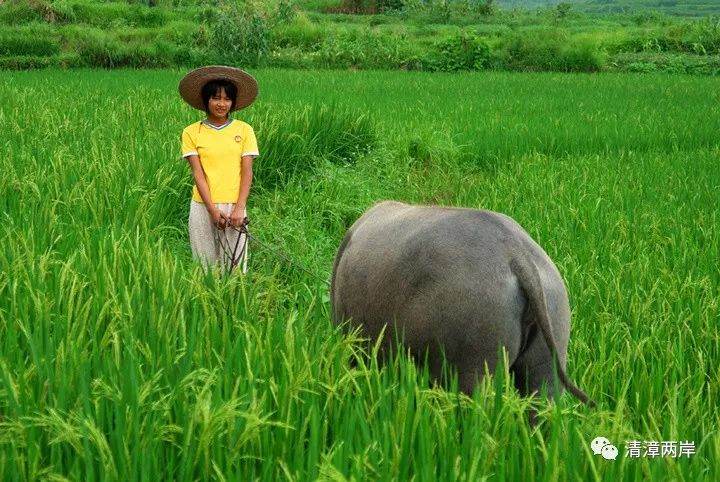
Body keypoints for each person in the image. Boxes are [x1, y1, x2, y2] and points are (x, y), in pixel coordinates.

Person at [178, 66, 259, 272]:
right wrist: (212, 210)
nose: (221, 104)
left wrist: (240, 207)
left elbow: (247, 171)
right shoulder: (191, 132)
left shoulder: (244, 130)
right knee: (205, 266)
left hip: (234, 206)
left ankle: (231, 303)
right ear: (206, 100)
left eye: (227, 99)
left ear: (233, 102)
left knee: (234, 267)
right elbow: (198, 174)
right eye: (216, 98)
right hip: (202, 205)